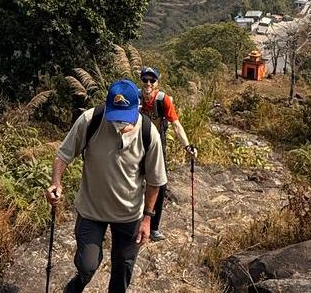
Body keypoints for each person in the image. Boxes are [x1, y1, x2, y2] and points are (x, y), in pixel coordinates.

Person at [45, 79, 167, 293]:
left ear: (137, 107)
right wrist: (56, 182)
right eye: (116, 116)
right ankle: (77, 285)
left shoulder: (149, 133)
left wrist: (147, 218)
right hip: (91, 210)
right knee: (87, 265)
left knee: (122, 272)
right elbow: (63, 155)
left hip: (129, 215)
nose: (120, 122)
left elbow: (155, 182)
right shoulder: (91, 120)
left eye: (125, 117)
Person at [138, 66, 197, 242]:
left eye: (152, 80)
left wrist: (187, 147)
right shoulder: (136, 98)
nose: (148, 83)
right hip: (137, 146)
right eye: (145, 80)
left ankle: (154, 226)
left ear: (157, 82)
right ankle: (132, 220)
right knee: (135, 182)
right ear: (141, 81)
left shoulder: (163, 100)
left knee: (159, 185)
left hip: (157, 148)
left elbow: (176, 125)